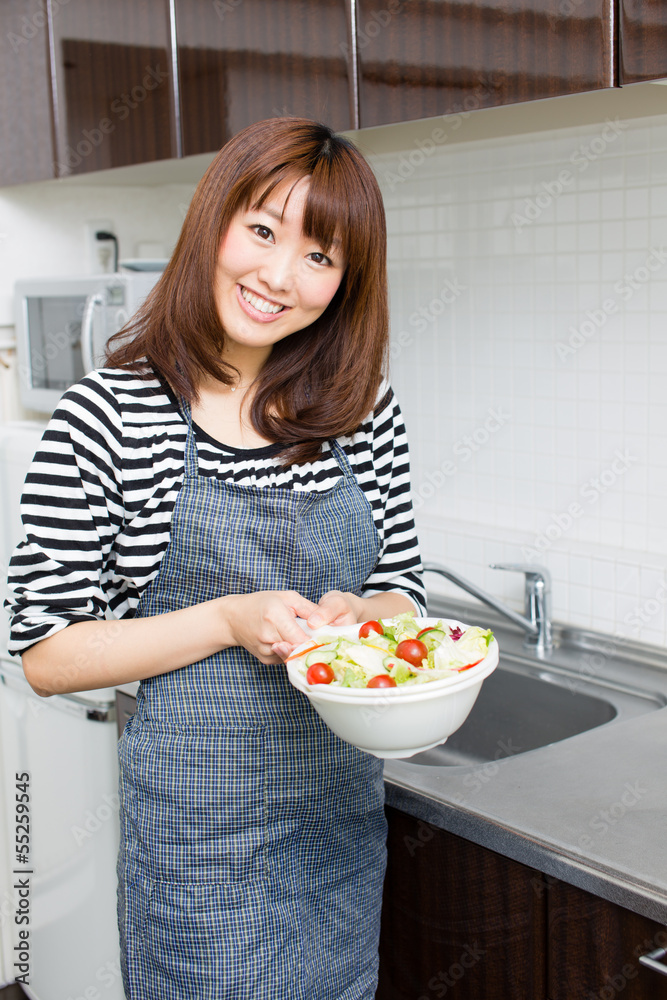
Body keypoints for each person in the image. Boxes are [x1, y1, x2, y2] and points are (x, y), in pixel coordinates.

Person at [7, 117, 426, 999]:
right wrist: (228, 620)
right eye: (264, 230)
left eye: (321, 256)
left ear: (348, 281)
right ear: (215, 221)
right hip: (200, 857)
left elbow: (404, 589)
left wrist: (363, 617)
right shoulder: (112, 417)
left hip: (342, 834)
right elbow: (43, 653)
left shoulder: (362, 409)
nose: (280, 276)